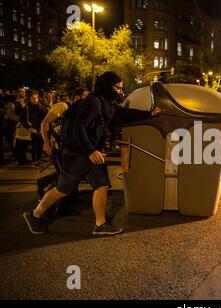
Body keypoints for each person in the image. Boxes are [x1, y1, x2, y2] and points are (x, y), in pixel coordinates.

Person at [23, 72, 161, 236]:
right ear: (107, 86)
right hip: (77, 153)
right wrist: (90, 151)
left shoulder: (107, 102)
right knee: (63, 189)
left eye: (121, 88)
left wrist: (149, 113)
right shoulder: (92, 102)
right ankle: (34, 215)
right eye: (117, 88)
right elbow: (78, 128)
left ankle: (100, 224)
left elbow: (123, 113)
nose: (120, 92)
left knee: (101, 185)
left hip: (90, 152)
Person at [27, 91, 47, 167]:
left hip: (41, 128)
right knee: (35, 145)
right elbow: (24, 119)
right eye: (33, 98)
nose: (35, 99)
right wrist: (30, 127)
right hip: (33, 129)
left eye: (36, 98)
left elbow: (46, 117)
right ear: (30, 99)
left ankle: (38, 160)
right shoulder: (27, 108)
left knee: (40, 145)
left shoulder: (42, 107)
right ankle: (34, 161)